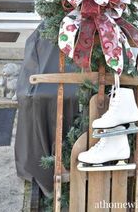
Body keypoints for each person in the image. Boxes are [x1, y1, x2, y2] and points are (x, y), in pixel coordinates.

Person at [15, 23, 79, 195]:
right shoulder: (48, 28)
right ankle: (43, 165)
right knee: (34, 98)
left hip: (78, 81)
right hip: (44, 82)